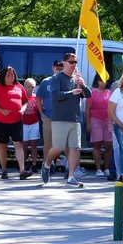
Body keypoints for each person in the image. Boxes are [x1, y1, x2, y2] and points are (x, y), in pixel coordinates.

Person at [40, 53, 92, 188]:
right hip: (60, 119)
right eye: (71, 62)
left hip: (75, 119)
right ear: (64, 63)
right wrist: (71, 93)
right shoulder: (57, 78)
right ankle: (46, 165)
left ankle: (71, 177)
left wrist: (83, 86)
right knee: (58, 147)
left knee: (74, 148)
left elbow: (88, 95)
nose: (74, 65)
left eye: (76, 62)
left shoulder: (77, 79)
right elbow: (55, 95)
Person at [0, 66, 32, 180]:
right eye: (8, 74)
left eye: (12, 73)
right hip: (2, 121)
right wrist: (1, 110)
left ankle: (22, 170)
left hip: (17, 120)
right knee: (3, 144)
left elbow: (26, 101)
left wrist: (23, 109)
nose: (10, 75)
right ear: (3, 76)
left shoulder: (19, 86)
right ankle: (4, 170)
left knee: (18, 144)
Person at [37, 60, 64, 166]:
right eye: (57, 69)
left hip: (61, 117)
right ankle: (47, 165)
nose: (59, 71)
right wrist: (42, 114)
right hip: (48, 116)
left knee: (60, 143)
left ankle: (58, 162)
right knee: (47, 143)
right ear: (53, 68)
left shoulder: (65, 81)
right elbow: (38, 98)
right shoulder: (46, 82)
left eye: (61, 69)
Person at [86, 73, 113, 177]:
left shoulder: (109, 93)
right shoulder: (92, 93)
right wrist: (88, 123)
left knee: (108, 145)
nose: (104, 82)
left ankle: (106, 168)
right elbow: (87, 109)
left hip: (107, 121)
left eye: (106, 80)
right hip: (95, 120)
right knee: (97, 144)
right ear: (97, 81)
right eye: (102, 80)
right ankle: (98, 169)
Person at [22, 78, 40, 173]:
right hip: (24, 124)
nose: (30, 89)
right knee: (24, 145)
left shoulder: (36, 97)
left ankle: (34, 164)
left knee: (34, 144)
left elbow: (39, 109)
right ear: (24, 87)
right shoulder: (21, 97)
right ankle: (23, 164)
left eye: (32, 87)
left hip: (34, 123)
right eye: (28, 86)